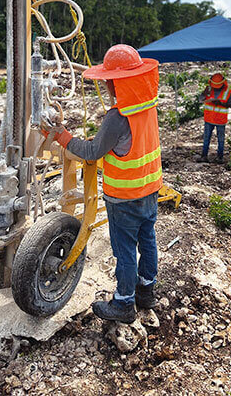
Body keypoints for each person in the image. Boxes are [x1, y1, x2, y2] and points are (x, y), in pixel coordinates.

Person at [42, 44, 162, 324]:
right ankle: (146, 292)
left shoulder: (116, 118)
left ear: (114, 83)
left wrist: (61, 135)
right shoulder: (148, 106)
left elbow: (92, 152)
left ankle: (123, 304)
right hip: (150, 190)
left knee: (125, 251)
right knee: (148, 241)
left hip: (124, 197)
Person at [199, 72, 231, 163]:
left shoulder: (227, 92)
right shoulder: (208, 89)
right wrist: (204, 94)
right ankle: (204, 156)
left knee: (220, 140)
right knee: (206, 138)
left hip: (220, 120)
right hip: (209, 119)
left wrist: (220, 103)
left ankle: (220, 157)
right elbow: (200, 99)